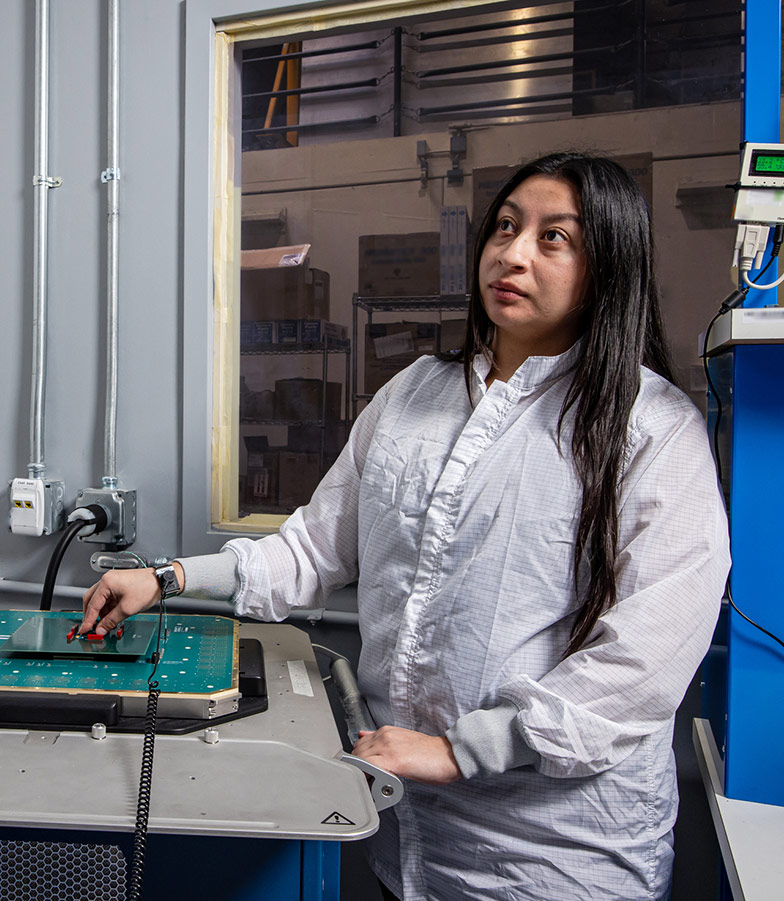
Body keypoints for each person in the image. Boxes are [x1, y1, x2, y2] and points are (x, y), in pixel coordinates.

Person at [79, 152, 729, 900]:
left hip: (557, 857)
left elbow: (643, 660)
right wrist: (167, 577)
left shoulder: (650, 429)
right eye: (507, 226)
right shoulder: (415, 393)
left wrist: (463, 750)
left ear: (607, 268)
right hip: (405, 836)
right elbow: (313, 546)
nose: (513, 253)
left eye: (555, 238)